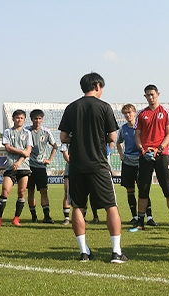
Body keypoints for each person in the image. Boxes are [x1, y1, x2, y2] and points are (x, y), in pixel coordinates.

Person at [58, 72, 127, 263]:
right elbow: (113, 137)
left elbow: (63, 138)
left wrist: (78, 139)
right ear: (97, 86)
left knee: (78, 206)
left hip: (77, 166)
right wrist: (97, 138)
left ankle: (83, 252)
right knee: (111, 206)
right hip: (98, 165)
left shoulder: (72, 107)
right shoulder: (104, 107)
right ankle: (116, 252)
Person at [129, 84, 169, 233]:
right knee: (143, 189)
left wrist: (158, 149)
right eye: (147, 95)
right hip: (145, 156)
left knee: (167, 189)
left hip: (161, 155)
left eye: (152, 94)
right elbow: (137, 135)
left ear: (158, 94)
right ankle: (140, 222)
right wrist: (142, 149)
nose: (150, 97)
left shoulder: (166, 112)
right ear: (145, 96)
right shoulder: (142, 114)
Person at [116, 104, 154, 225]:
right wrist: (121, 155)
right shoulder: (123, 128)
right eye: (125, 113)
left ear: (134, 113)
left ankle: (149, 217)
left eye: (130, 113)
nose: (128, 115)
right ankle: (134, 216)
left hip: (140, 161)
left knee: (143, 189)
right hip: (128, 162)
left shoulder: (140, 127)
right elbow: (118, 143)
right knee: (130, 190)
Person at [0, 109, 33, 227]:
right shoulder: (7, 132)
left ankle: (16, 218)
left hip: (24, 167)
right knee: (5, 191)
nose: (19, 120)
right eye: (17, 118)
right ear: (13, 119)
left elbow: (28, 151)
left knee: (22, 192)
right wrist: (21, 153)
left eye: (21, 118)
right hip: (10, 166)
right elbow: (7, 147)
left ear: (24, 120)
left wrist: (19, 161)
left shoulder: (27, 133)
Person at [26, 109, 58, 223]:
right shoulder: (26, 131)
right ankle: (33, 216)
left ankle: (47, 216)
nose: (38, 121)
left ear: (42, 119)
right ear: (32, 119)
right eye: (35, 118)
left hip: (41, 166)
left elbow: (55, 146)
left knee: (43, 190)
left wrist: (49, 159)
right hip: (28, 166)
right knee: (30, 191)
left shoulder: (46, 132)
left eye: (40, 118)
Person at [61, 142, 71, 224]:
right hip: (70, 170)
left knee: (82, 193)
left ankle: (83, 217)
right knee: (67, 193)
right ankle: (66, 218)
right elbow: (65, 153)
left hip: (83, 169)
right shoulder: (66, 137)